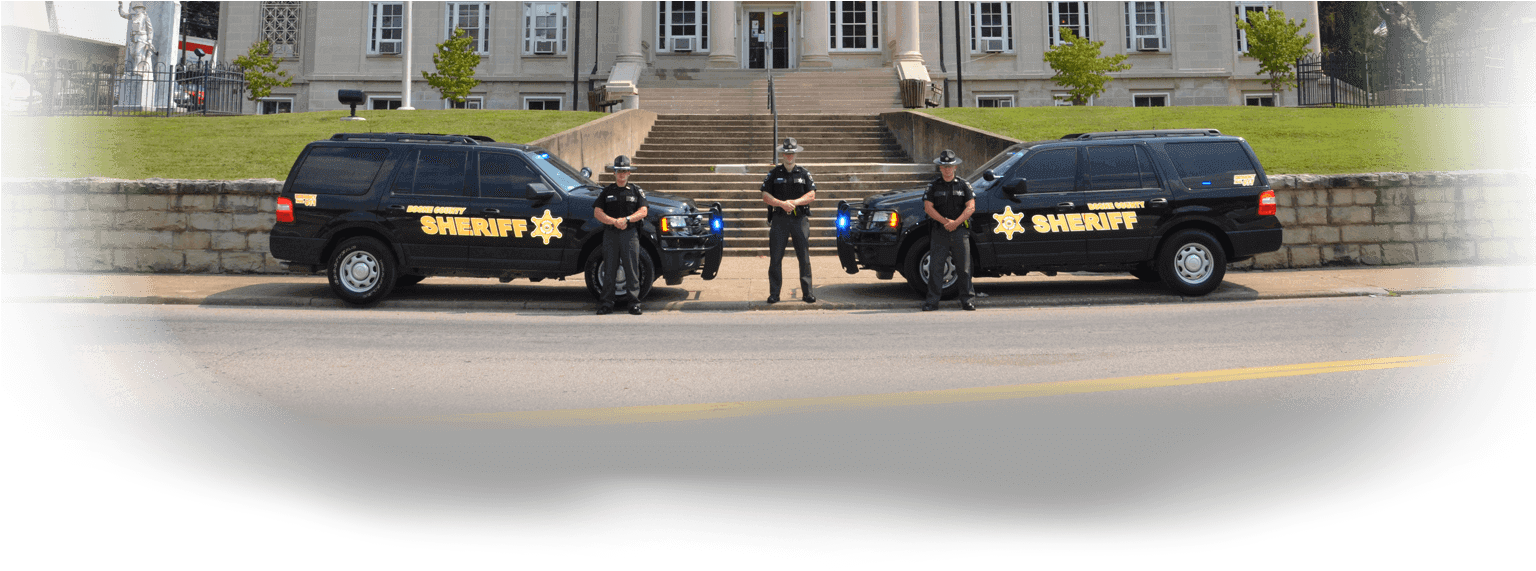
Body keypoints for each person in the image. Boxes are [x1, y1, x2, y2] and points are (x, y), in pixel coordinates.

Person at [761, 138, 817, 304]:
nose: (789, 156)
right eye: (786, 153)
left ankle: (807, 293)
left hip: (799, 219)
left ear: (795, 154)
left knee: (804, 258)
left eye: (792, 153)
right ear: (782, 154)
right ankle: (774, 294)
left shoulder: (804, 173)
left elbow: (812, 195)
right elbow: (764, 195)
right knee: (776, 258)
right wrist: (781, 204)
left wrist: (794, 203)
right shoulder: (773, 173)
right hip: (779, 220)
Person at [922, 149, 977, 311]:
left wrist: (956, 222)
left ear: (955, 168)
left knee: (964, 268)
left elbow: (971, 207)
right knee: (936, 268)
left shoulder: (964, 185)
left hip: (960, 231)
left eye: (950, 166)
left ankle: (967, 300)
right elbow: (928, 208)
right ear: (940, 168)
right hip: (940, 232)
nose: (947, 169)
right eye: (944, 166)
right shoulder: (933, 186)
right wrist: (946, 222)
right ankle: (932, 302)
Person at [593, 155, 648, 315]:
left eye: (625, 171)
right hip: (611, 234)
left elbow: (643, 211)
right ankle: (606, 304)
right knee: (609, 269)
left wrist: (627, 219)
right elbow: (597, 212)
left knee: (632, 270)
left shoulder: (636, 191)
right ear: (614, 173)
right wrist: (613, 221)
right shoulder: (607, 191)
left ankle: (634, 303)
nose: (622, 175)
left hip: (630, 234)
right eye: (619, 171)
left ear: (629, 173)